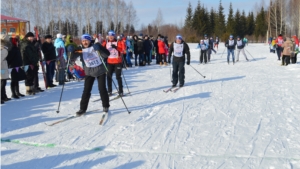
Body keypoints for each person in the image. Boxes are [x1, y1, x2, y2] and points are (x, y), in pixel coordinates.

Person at [75, 34, 110, 116]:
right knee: (86, 90)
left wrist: (100, 48)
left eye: (86, 40)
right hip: (89, 72)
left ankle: (105, 106)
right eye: (83, 41)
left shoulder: (96, 46)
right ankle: (82, 109)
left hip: (100, 70)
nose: (85, 42)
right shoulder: (80, 49)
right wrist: (71, 50)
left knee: (102, 89)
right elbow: (73, 55)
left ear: (90, 40)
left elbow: (106, 54)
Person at [102, 30, 124, 96]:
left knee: (118, 77)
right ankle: (109, 91)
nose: (110, 37)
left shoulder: (118, 42)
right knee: (109, 77)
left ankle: (120, 91)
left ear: (114, 36)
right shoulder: (106, 42)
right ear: (108, 36)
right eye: (109, 35)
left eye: (112, 35)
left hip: (117, 61)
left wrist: (116, 47)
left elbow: (122, 50)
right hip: (109, 62)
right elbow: (102, 48)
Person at [1, 34, 11, 104]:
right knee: (2, 83)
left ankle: (4, 96)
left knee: (3, 82)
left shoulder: (3, 48)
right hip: (2, 67)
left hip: (3, 66)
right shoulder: (3, 49)